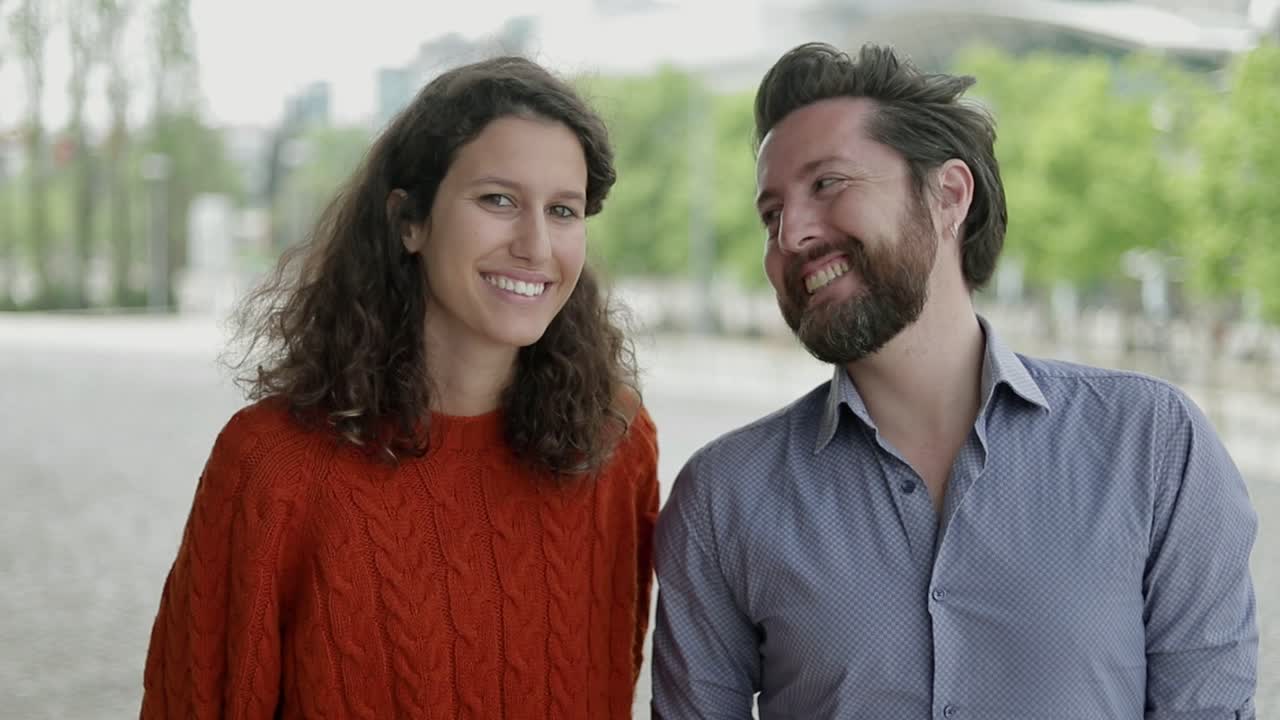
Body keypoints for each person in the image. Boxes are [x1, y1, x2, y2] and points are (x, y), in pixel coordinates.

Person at [652, 42, 1257, 719]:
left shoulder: (1152, 446)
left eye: (827, 184)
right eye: (771, 215)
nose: (791, 234)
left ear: (948, 196)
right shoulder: (723, 502)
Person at [141, 56, 659, 720]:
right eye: (498, 200)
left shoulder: (618, 447)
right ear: (408, 220)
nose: (536, 244)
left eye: (563, 210)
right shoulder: (272, 468)